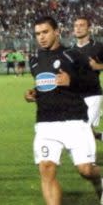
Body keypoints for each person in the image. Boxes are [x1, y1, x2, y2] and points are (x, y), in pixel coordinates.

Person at [25, 16, 103, 205]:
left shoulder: (73, 55)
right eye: (37, 34)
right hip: (45, 124)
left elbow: (92, 83)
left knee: (85, 170)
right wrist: (33, 93)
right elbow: (46, 84)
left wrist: (72, 81)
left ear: (56, 31)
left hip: (74, 121)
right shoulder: (35, 60)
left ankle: (99, 178)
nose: (41, 37)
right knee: (46, 168)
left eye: (45, 32)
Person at [71, 16, 103, 140]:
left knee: (83, 129)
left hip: (93, 94)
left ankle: (89, 158)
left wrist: (97, 66)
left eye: (82, 25)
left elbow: (98, 66)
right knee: (81, 127)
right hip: (75, 96)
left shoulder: (99, 47)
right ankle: (99, 136)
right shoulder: (70, 50)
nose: (78, 28)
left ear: (89, 28)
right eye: (76, 26)